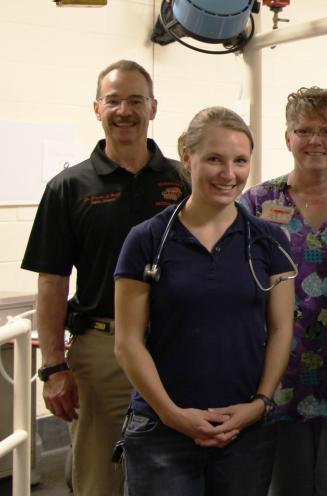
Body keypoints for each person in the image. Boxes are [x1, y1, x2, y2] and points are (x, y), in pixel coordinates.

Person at [20, 59, 188, 496]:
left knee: (177, 469)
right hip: (102, 350)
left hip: (176, 345)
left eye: (136, 100)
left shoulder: (184, 181)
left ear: (153, 107)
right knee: (100, 478)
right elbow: (52, 282)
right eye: (114, 101)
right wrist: (53, 367)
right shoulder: (68, 187)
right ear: (97, 108)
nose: (125, 110)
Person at [112, 106, 296, 495]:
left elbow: (281, 330)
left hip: (245, 432)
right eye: (214, 159)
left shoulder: (269, 243)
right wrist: (171, 414)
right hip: (162, 431)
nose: (229, 174)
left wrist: (260, 404)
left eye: (240, 161)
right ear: (186, 155)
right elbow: (127, 341)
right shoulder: (147, 240)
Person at [239, 87, 327, 495]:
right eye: (303, 130)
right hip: (276, 383)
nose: (315, 140)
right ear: (287, 138)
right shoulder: (257, 204)